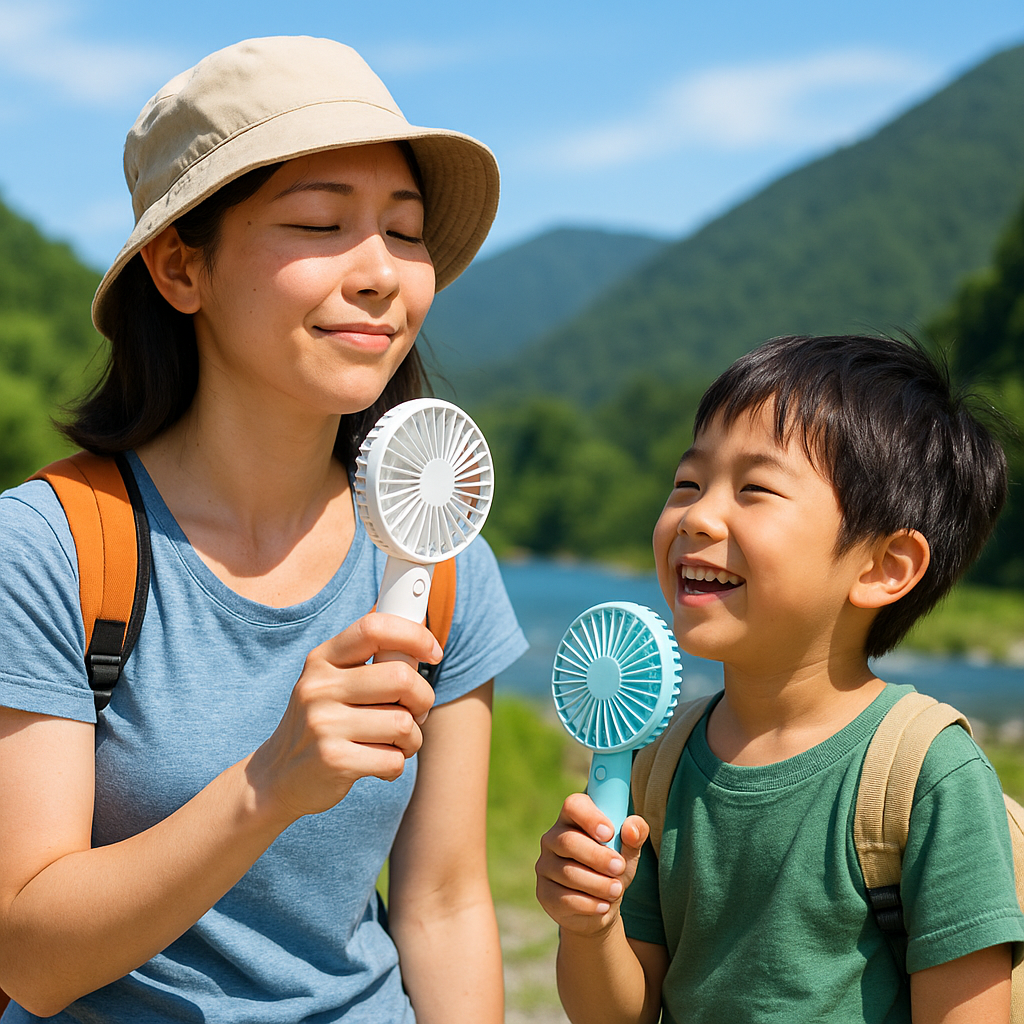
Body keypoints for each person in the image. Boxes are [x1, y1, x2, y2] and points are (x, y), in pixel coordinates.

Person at [0, 36, 526, 1024]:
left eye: (405, 232)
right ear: (178, 267)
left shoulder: (444, 556)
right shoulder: (47, 550)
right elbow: (29, 956)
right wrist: (269, 783)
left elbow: (445, 904)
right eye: (321, 223)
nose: (380, 274)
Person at [535, 333, 1024, 1023]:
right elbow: (618, 1013)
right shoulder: (661, 760)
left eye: (755, 489)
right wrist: (589, 925)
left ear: (884, 567)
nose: (697, 517)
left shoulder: (925, 777)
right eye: (687, 483)